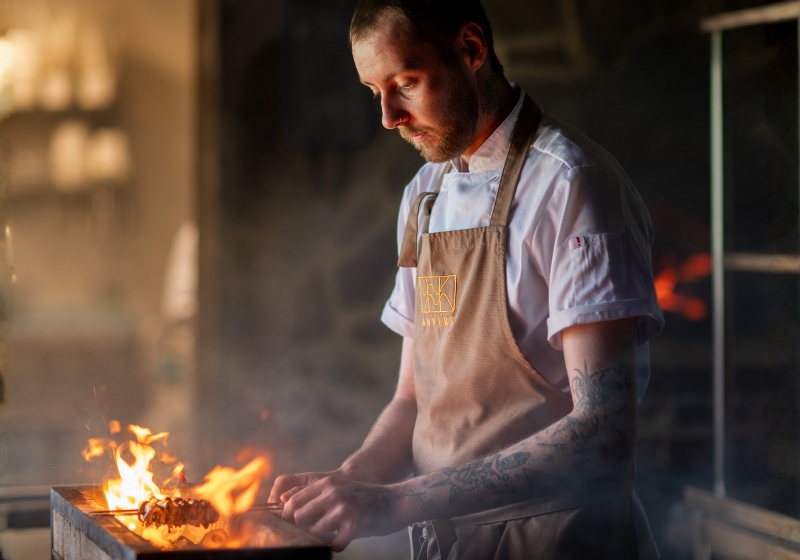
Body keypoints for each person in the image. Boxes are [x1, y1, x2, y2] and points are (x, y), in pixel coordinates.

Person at [269, 1, 664, 558]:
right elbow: (411, 399)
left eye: (406, 82)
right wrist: (349, 481)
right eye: (372, 90)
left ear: (472, 50)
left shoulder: (572, 185)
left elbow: (604, 431)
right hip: (447, 542)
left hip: (558, 541)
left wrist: (396, 503)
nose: (387, 116)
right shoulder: (424, 197)